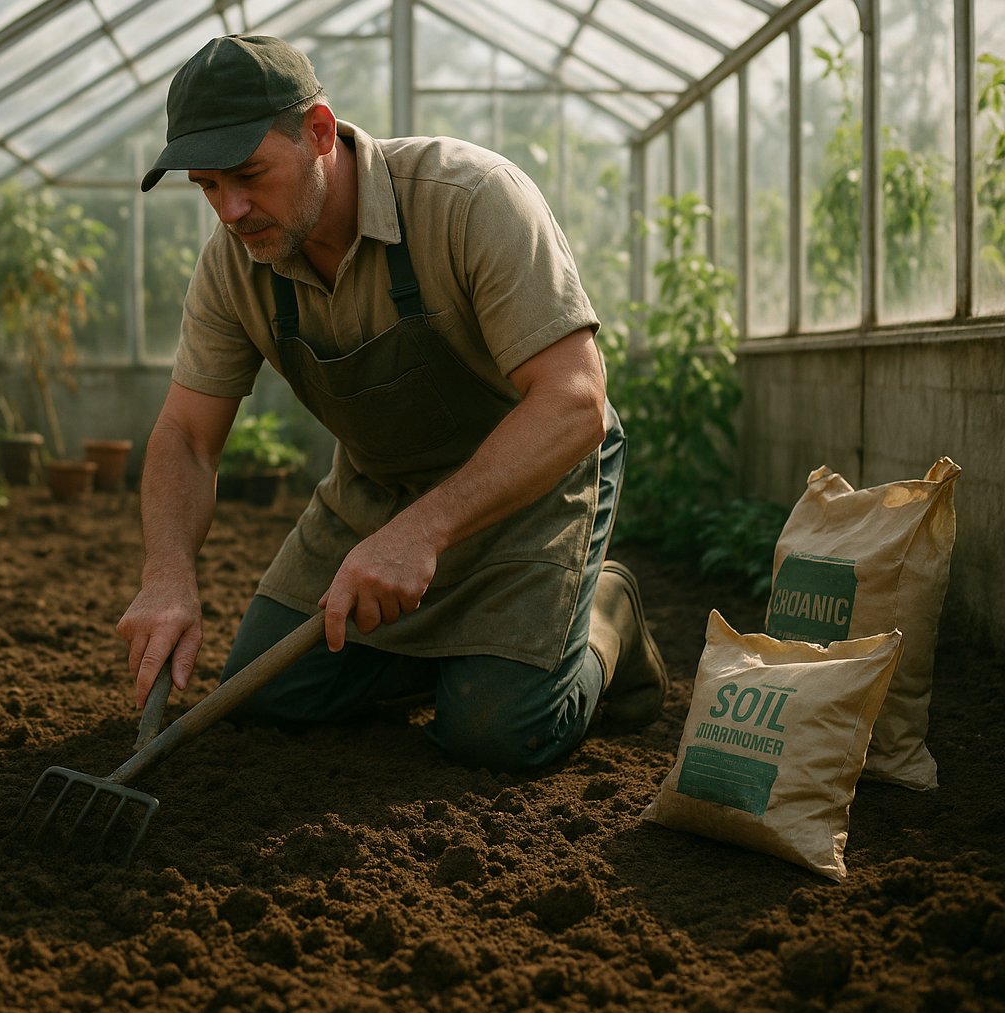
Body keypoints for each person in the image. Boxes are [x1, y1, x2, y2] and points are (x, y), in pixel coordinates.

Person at [117, 34, 667, 773]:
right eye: (207, 186)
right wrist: (167, 575)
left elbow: (575, 403)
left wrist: (425, 533)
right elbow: (187, 434)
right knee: (266, 700)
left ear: (318, 131)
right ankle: (471, 654)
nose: (231, 210)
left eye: (249, 174)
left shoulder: (469, 199)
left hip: (532, 487)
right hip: (376, 492)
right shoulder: (236, 264)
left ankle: (605, 614)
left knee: (498, 734)